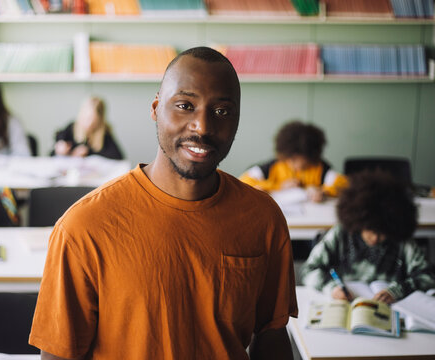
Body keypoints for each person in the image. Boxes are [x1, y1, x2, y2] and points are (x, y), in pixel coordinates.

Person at [29, 47, 298, 360]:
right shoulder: (83, 227)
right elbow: (59, 355)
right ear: (156, 108)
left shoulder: (263, 217)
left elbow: (272, 338)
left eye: (222, 111)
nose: (203, 127)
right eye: (185, 106)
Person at [300, 170, 435, 304]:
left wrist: (398, 291)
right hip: (346, 304)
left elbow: (428, 275)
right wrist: (332, 288)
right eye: (370, 230)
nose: (375, 238)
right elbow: (309, 269)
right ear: (358, 221)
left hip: (392, 308)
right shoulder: (341, 233)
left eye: (383, 233)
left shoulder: (399, 238)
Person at [239, 121, 347, 202]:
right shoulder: (275, 165)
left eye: (296, 159)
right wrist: (279, 186)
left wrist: (323, 192)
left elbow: (343, 185)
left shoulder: (320, 167)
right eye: (289, 158)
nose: (291, 163)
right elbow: (244, 181)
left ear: (310, 155)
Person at [52, 96, 124, 159]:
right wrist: (63, 151)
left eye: (91, 119)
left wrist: (88, 153)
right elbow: (51, 154)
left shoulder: (104, 133)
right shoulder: (72, 127)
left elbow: (118, 156)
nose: (88, 124)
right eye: (84, 118)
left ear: (99, 120)